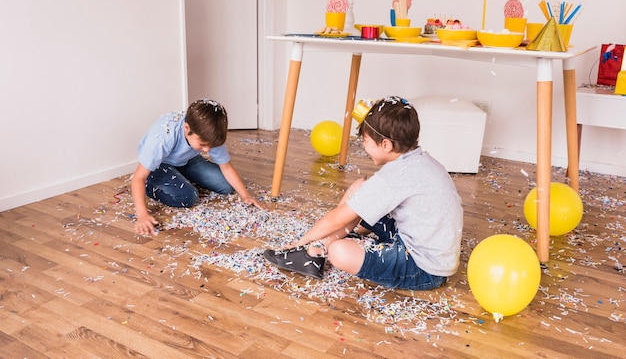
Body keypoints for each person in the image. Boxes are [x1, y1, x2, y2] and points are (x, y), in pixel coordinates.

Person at [264, 96, 463, 290]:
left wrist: (300, 242)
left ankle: (311, 250)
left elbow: (337, 218)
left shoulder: (394, 177)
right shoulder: (420, 160)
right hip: (427, 245)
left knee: (339, 252)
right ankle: (317, 250)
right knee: (361, 187)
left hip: (424, 269)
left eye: (366, 141)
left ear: (386, 145)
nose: (363, 146)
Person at [131, 99, 265, 235]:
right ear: (187, 128)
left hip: (187, 160)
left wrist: (246, 195)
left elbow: (226, 167)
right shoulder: (163, 136)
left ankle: (181, 176)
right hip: (160, 165)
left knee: (226, 186)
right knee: (188, 196)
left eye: (210, 146)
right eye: (202, 145)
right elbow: (138, 178)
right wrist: (142, 215)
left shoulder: (210, 135)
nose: (206, 150)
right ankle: (150, 186)